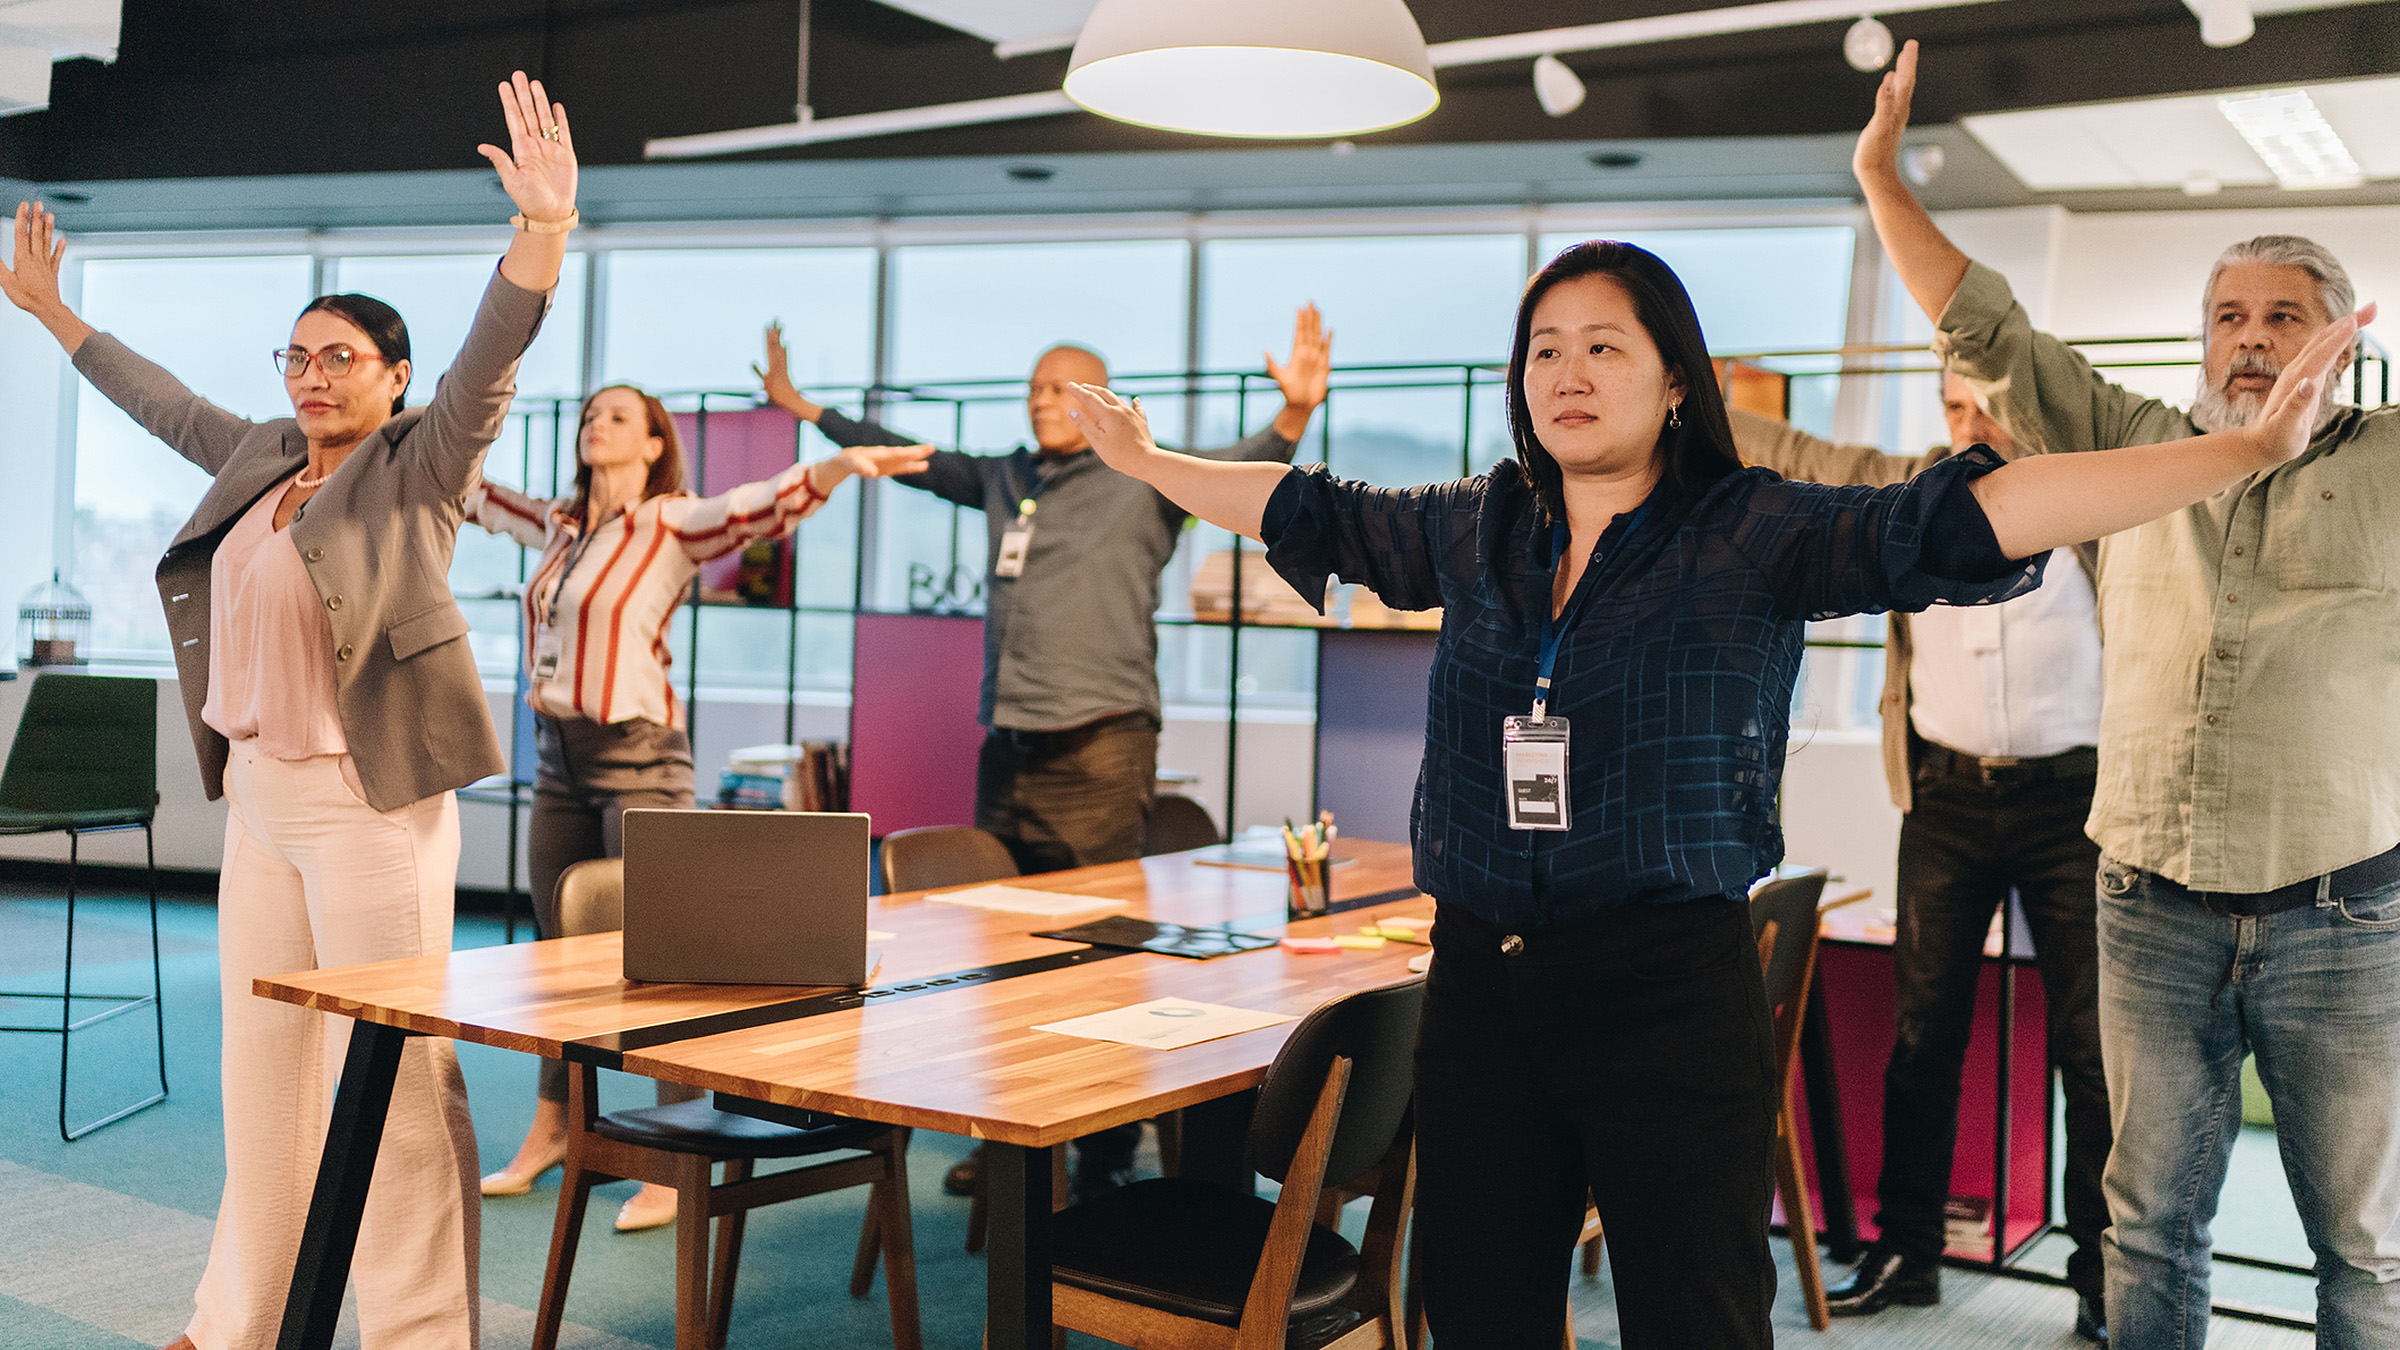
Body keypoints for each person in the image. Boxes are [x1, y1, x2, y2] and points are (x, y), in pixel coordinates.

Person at [1059, 233, 2362, 1347]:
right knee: (1478, 1309)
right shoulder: (1483, 522)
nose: (1568, 372)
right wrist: (1144, 459)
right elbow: (1310, 509)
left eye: (1604, 346)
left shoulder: (1754, 527)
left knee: (1697, 1312)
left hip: (1666, 988)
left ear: (1674, 377)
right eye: (1546, 347)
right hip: (1480, 990)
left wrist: (2236, 454)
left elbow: (1972, 520)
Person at [0, 73, 579, 1350]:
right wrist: (53, 316)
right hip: (260, 800)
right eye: (299, 356)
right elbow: (162, 404)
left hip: (369, 807)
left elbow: (490, 364)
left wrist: (540, 235)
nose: (314, 377)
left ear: (393, 377)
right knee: (261, 1080)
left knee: (396, 1083)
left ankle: (422, 1336)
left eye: (341, 359)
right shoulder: (261, 454)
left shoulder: (422, 465)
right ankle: (238, 1321)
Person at [1858, 40, 2399, 1350]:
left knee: (2366, 1254)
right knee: (2148, 1226)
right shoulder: (2135, 445)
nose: (2255, 337)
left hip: (2340, 910)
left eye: (2284, 314)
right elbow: (1988, 328)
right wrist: (1882, 179)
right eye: (2231, 315)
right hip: (2147, 901)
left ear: (2335, 331)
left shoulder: (2389, 462)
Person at [757, 306, 1330, 1198]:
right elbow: (908, 455)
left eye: (1060, 388)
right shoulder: (1007, 477)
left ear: (1104, 399)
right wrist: (806, 408)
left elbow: (1242, 467)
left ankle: (1103, 1138)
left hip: (1101, 742)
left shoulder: (1145, 475)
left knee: (1100, 951)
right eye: (1031, 389)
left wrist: (1293, 415)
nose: (1040, 403)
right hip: (1010, 744)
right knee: (1006, 954)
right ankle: (1017, 1134)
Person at [467, 384, 931, 1229]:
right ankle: (556, 1129)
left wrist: (834, 465)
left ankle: (671, 1157)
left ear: (653, 445)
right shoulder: (561, 525)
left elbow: (755, 511)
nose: (594, 424)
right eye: (589, 414)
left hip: (638, 756)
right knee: (555, 949)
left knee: (656, 956)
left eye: (617, 415)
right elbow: (472, 493)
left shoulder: (671, 521)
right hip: (556, 755)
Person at [1734, 376, 2112, 1340]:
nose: (1972, 424)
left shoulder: (2090, 502)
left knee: (2092, 1052)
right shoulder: (1917, 495)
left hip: (2079, 804)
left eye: (1991, 403)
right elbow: (1811, 459)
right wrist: (1683, 393)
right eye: (1952, 407)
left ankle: (2105, 1276)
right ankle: (1906, 1254)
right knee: (1922, 1035)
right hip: (1946, 798)